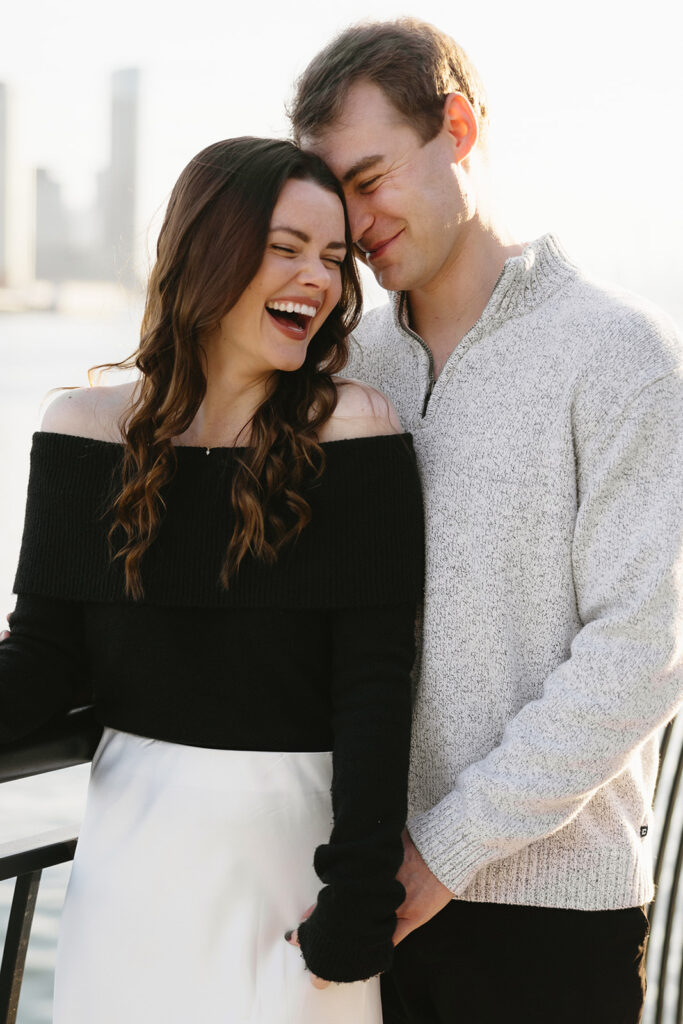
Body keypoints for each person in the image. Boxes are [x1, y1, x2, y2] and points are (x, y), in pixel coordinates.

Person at [289, 18, 683, 1024]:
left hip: (546, 920)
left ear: (456, 128)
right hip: (355, 896)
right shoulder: (347, 368)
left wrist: (444, 851)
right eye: (338, 197)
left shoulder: (617, 352)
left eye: (371, 177)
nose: (357, 222)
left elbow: (644, 648)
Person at [0, 137, 424, 1023]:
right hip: (130, 876)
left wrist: (358, 899)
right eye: (286, 247)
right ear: (208, 248)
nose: (319, 277)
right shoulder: (83, 431)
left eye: (335, 257)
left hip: (293, 892)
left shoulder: (356, 433)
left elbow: (374, 689)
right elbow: (37, 665)